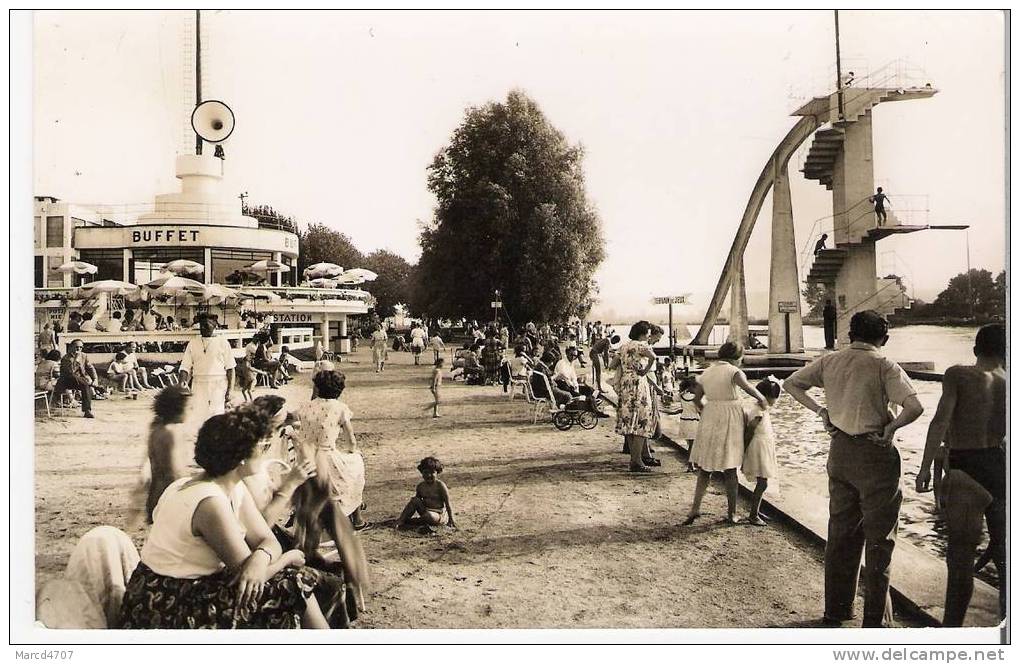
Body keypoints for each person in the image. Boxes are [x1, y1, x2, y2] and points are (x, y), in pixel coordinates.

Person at [118, 408, 331, 629]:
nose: (267, 453)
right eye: (263, 447)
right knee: (294, 582)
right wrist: (290, 557)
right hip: (167, 602)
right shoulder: (209, 503)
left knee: (294, 581)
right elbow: (248, 577)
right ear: (240, 457)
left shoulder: (224, 485)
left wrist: (260, 557)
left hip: (184, 586)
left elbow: (267, 542)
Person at [784, 310, 924, 628]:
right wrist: (891, 430)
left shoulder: (830, 361)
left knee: (841, 536)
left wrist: (822, 411)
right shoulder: (883, 364)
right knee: (880, 542)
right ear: (883, 338)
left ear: (851, 335)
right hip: (875, 455)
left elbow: (792, 384)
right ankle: (874, 622)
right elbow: (915, 406)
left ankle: (837, 609)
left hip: (841, 451)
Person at [915, 324, 1006, 625]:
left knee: (960, 560)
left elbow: (940, 421)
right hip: (1002, 466)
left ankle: (951, 634)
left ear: (975, 349)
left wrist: (926, 466)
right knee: (1006, 558)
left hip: (967, 467)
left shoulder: (958, 374)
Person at [683, 342, 768, 524]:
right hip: (730, 417)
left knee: (705, 467)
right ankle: (732, 513)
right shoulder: (734, 371)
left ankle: (695, 509)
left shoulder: (707, 372)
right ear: (736, 357)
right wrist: (762, 399)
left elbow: (697, 400)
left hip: (710, 415)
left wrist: (709, 412)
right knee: (730, 468)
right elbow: (748, 388)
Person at [295, 370, 370, 531]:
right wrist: (353, 451)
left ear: (318, 387)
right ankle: (357, 518)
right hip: (325, 458)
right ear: (340, 390)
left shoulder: (305, 406)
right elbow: (351, 439)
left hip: (304, 458)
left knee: (348, 467)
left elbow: (296, 422)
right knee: (357, 466)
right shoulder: (340, 408)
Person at [611, 321, 660, 472]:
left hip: (626, 384)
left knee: (629, 422)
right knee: (641, 421)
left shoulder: (623, 346)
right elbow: (653, 357)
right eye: (648, 333)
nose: (649, 336)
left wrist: (626, 366)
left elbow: (612, 364)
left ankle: (635, 459)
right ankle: (636, 461)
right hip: (638, 384)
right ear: (643, 333)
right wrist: (644, 370)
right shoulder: (641, 345)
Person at [144, 385, 191, 523]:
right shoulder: (170, 434)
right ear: (177, 409)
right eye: (189, 408)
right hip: (168, 494)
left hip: (156, 493)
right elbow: (172, 472)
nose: (191, 411)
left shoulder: (156, 427)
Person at [179, 315, 237, 424]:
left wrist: (230, 390)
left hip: (218, 384)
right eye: (201, 326)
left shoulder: (223, 342)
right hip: (198, 384)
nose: (203, 328)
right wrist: (182, 384)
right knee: (198, 416)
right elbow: (185, 367)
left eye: (206, 325)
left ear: (214, 326)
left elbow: (231, 369)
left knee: (216, 415)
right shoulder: (193, 343)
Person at [741, 378, 781, 526]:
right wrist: (744, 450)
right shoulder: (757, 411)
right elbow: (750, 431)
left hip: (763, 446)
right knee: (763, 482)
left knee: (762, 481)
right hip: (758, 448)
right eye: (774, 396)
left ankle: (755, 510)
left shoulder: (761, 409)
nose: (775, 400)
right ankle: (753, 514)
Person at [397, 456, 457, 533]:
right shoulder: (420, 486)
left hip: (438, 514)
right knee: (414, 500)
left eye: (432, 472)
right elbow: (416, 503)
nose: (429, 475)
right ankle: (401, 520)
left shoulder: (440, 485)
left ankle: (413, 521)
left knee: (430, 516)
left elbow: (448, 503)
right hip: (425, 511)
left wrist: (451, 519)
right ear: (422, 473)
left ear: (437, 472)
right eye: (426, 472)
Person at [54, 339, 96, 418]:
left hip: (79, 381)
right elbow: (70, 373)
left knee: (85, 385)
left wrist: (95, 379)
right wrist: (76, 360)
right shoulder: (66, 358)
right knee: (84, 383)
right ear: (71, 347)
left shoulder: (84, 355)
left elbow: (90, 368)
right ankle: (94, 389)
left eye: (81, 347)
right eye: (77, 347)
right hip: (66, 381)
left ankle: (87, 411)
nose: (79, 349)